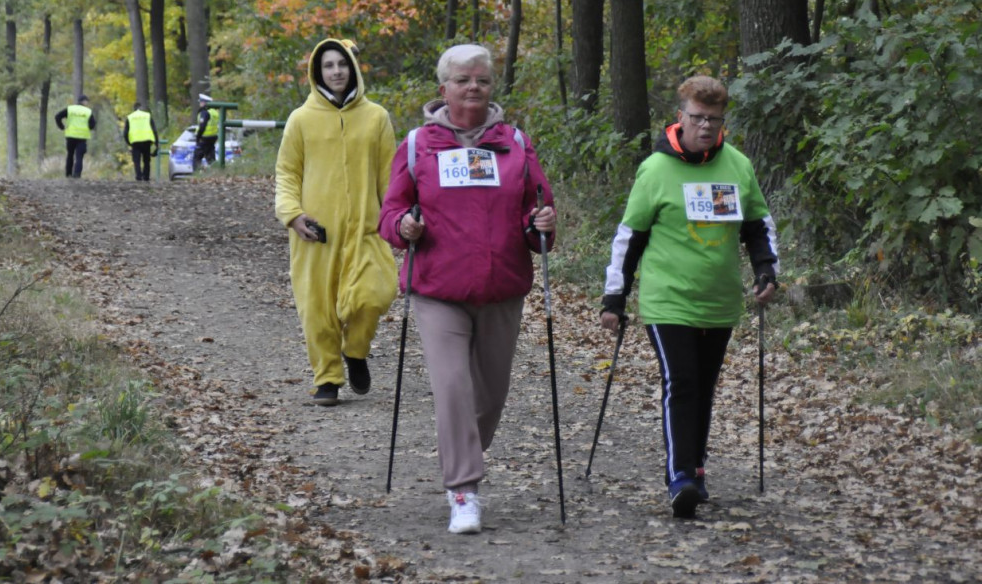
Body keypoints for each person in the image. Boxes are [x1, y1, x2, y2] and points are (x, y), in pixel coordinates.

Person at [378, 44, 557, 535]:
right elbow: (390, 215)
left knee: (490, 396)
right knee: (452, 388)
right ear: (444, 89)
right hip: (439, 289)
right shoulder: (418, 145)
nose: (473, 87)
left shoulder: (516, 143)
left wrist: (540, 222)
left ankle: (462, 451)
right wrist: (405, 227)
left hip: (502, 287)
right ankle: (464, 490)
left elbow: (537, 211)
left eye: (481, 79)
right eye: (462, 80)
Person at [599, 75, 779, 519]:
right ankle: (679, 476)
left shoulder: (737, 166)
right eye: (698, 118)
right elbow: (631, 236)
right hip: (667, 300)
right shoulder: (656, 170)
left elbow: (758, 226)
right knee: (681, 382)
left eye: (714, 119)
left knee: (704, 388)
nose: (705, 126)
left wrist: (766, 270)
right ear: (680, 116)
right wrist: (614, 298)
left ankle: (697, 470)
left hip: (719, 301)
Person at [275, 38, 397, 407]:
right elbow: (286, 173)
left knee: (376, 294)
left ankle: (355, 350)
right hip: (314, 232)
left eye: (341, 64)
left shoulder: (376, 117)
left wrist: (396, 216)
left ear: (353, 68)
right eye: (328, 66)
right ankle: (327, 377)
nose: (336, 71)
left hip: (366, 228)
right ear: (317, 73)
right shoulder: (300, 119)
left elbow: (390, 177)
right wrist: (292, 216)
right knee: (318, 308)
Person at [55, 95, 96, 178]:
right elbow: (93, 124)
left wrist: (62, 127)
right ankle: (77, 175)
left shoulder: (70, 109)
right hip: (82, 137)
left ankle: (68, 174)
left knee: (70, 155)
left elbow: (57, 116)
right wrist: (88, 127)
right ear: (85, 102)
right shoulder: (88, 111)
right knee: (79, 156)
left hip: (70, 136)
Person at [123, 102, 159, 181]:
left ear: (134, 109)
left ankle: (138, 177)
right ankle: (146, 177)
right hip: (147, 140)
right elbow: (154, 130)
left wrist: (129, 143)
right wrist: (157, 144)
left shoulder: (130, 117)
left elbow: (125, 133)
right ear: (141, 107)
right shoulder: (147, 116)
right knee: (146, 160)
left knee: (136, 160)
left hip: (135, 141)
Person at [193, 93, 219, 171]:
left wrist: (198, 137)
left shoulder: (204, 112)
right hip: (213, 137)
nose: (200, 104)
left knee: (197, 157)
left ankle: (197, 175)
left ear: (205, 103)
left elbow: (202, 126)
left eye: (201, 102)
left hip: (204, 138)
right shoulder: (214, 112)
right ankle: (214, 174)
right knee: (211, 158)